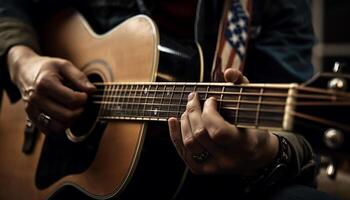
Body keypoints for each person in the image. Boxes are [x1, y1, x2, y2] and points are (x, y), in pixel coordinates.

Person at [0, 0, 338, 199]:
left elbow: (297, 135)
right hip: (75, 174)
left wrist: (261, 152)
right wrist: (22, 61)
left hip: (205, 181)